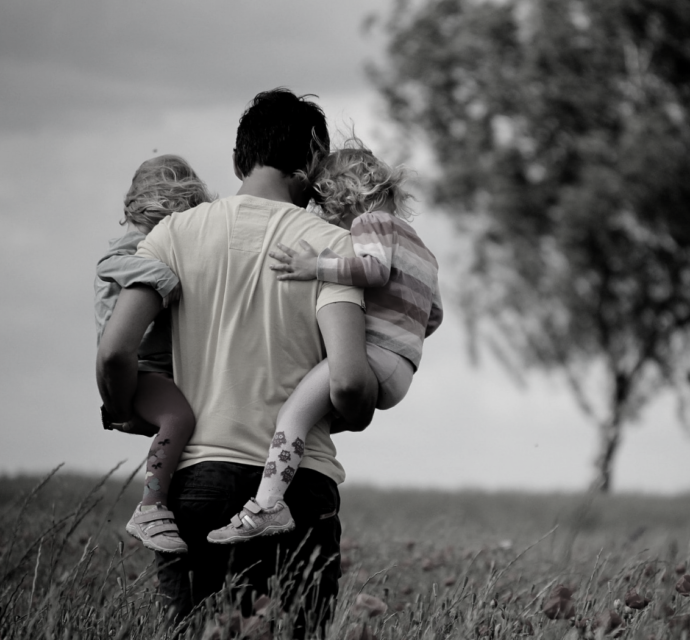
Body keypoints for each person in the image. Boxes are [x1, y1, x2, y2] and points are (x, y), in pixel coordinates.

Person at [96, 88, 378, 633]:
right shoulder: (332, 247)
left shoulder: (171, 235)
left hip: (196, 481)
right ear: (313, 160)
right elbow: (347, 382)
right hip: (298, 488)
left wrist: (123, 406)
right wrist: (360, 409)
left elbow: (114, 349)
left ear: (238, 159)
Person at [207, 139, 443, 544]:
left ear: (351, 193)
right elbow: (434, 315)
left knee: (291, 416)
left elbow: (373, 271)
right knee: (309, 423)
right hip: (402, 369)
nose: (328, 217)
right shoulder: (424, 250)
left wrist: (312, 265)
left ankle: (267, 506)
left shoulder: (372, 224)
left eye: (328, 204)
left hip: (372, 356)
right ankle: (281, 482)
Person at [95, 155, 213, 555]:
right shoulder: (135, 246)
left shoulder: (155, 243)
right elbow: (109, 265)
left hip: (160, 368)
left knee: (184, 420)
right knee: (179, 418)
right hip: (143, 369)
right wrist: (164, 278)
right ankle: (150, 507)